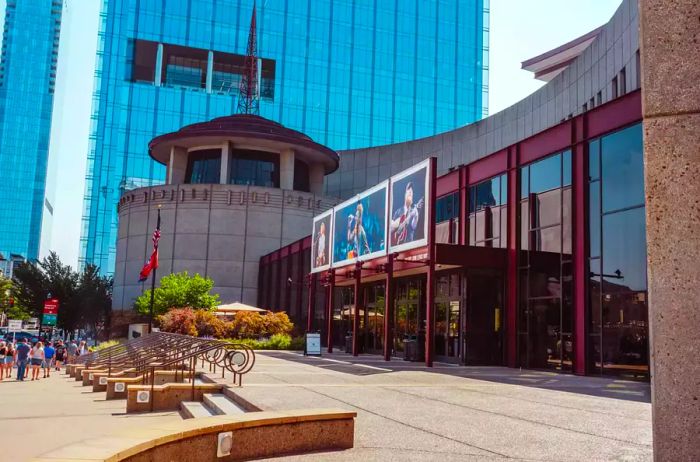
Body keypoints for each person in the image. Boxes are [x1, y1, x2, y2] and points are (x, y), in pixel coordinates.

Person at [390, 181, 424, 246]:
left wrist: (415, 216)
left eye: (411, 193)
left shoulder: (414, 211)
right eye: (408, 191)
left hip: (408, 247)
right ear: (405, 194)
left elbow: (413, 226)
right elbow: (391, 229)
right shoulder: (398, 211)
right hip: (396, 246)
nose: (410, 193)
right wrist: (399, 224)